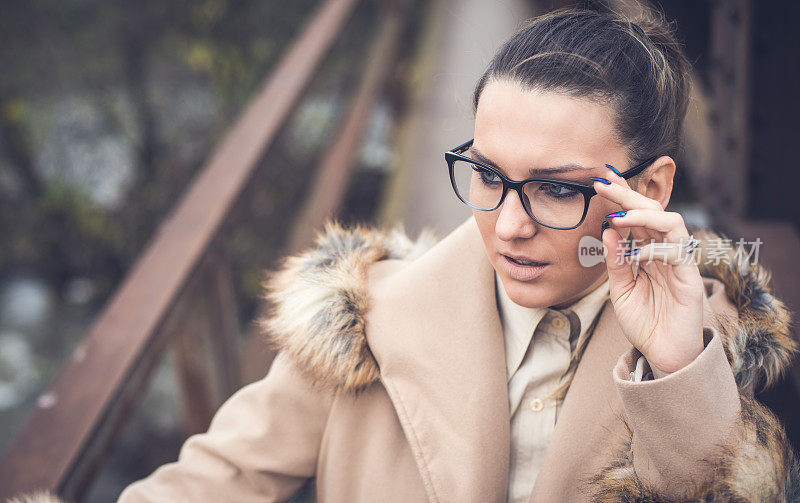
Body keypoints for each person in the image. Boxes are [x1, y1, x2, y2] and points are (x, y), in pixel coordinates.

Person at [12, 5, 798, 503]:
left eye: (557, 189)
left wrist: (673, 366)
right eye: (488, 175)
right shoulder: (364, 322)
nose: (508, 226)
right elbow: (218, 479)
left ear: (651, 186)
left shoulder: (717, 358)